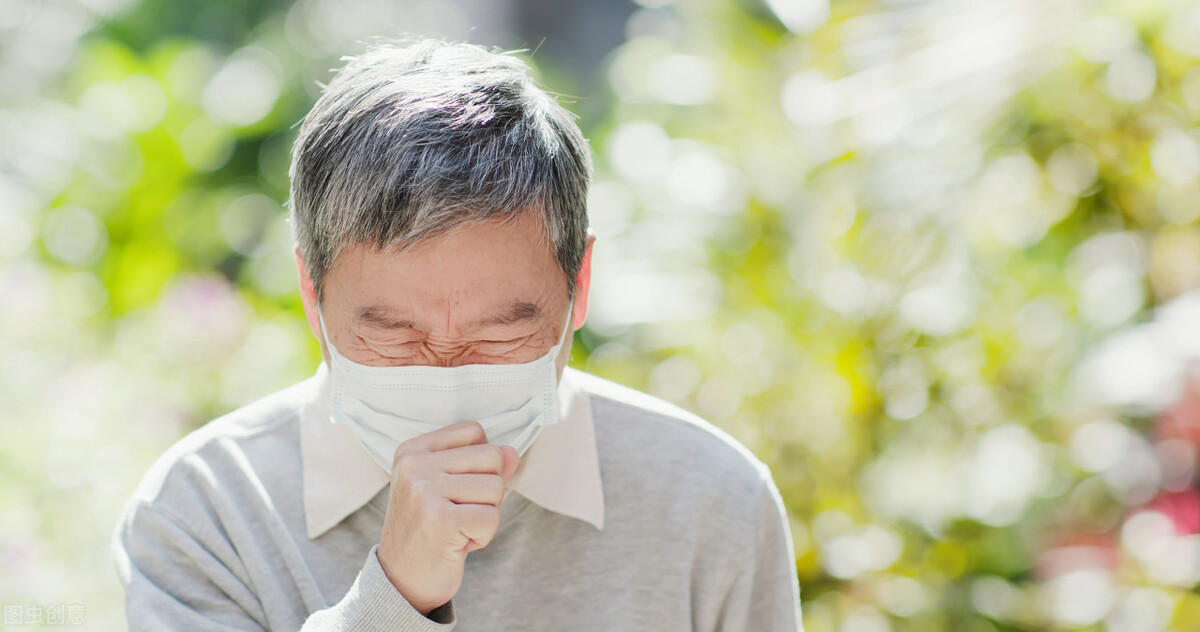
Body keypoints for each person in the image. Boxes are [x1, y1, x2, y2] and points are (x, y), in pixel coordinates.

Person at [112, 39, 803, 631]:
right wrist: (396, 594)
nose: (445, 371)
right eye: (396, 334)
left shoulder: (712, 504)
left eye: (497, 334)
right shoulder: (208, 513)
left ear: (579, 285)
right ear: (311, 295)